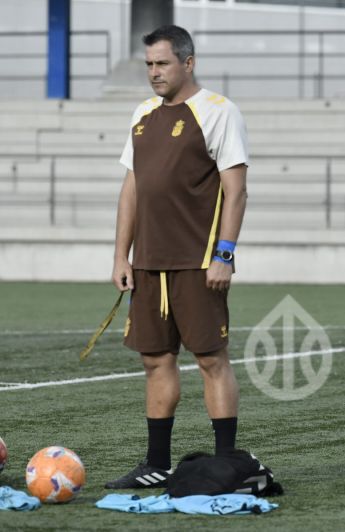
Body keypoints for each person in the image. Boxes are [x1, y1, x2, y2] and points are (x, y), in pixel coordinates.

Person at [106, 25, 249, 488]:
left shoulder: (218, 111)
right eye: (149, 64)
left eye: (162, 63)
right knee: (155, 361)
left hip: (199, 261)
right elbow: (132, 189)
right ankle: (156, 464)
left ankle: (226, 460)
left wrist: (224, 254)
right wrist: (121, 256)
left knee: (211, 359)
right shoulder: (143, 114)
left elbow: (236, 189)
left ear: (188, 63)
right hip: (148, 263)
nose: (154, 73)